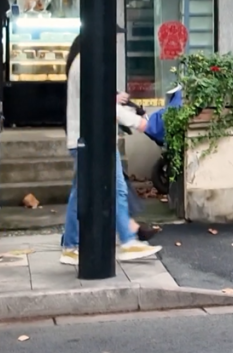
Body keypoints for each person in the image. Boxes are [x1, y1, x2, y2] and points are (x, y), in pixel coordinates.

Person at [60, 34, 162, 265]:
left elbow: (99, 101)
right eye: (113, 40)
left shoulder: (82, 61)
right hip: (95, 140)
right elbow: (101, 105)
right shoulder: (88, 63)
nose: (114, 46)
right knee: (109, 190)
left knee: (87, 193)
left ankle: (74, 245)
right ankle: (124, 240)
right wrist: (139, 123)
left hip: (89, 140)